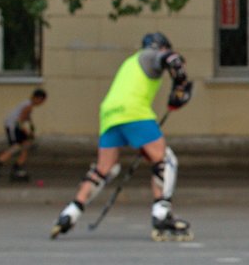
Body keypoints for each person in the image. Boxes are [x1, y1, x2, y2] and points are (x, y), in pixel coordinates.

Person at [50, 32, 193, 242]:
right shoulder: (150, 55)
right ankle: (162, 214)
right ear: (160, 46)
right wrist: (179, 85)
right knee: (164, 160)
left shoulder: (131, 62)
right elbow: (171, 60)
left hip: (109, 114)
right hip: (134, 112)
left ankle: (70, 213)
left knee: (105, 169)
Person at [0, 88, 47, 182]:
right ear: (37, 98)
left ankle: (17, 168)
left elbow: (26, 118)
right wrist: (27, 132)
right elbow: (20, 121)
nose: (41, 103)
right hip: (12, 126)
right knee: (15, 147)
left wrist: (31, 129)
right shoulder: (28, 105)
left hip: (16, 126)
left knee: (25, 146)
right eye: (42, 100)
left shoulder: (28, 104)